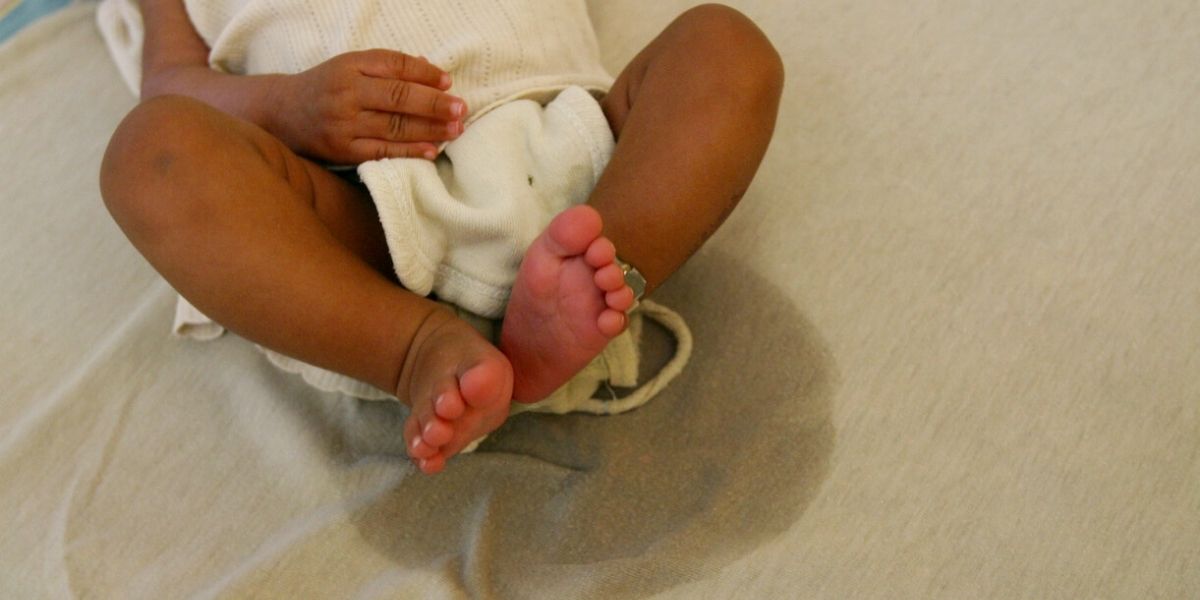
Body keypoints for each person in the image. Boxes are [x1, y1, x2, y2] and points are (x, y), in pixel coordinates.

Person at [99, 0, 783, 475]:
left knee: (726, 45)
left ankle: (601, 265)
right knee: (150, 154)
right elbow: (170, 84)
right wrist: (286, 106)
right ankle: (416, 347)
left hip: (567, 141)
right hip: (363, 208)